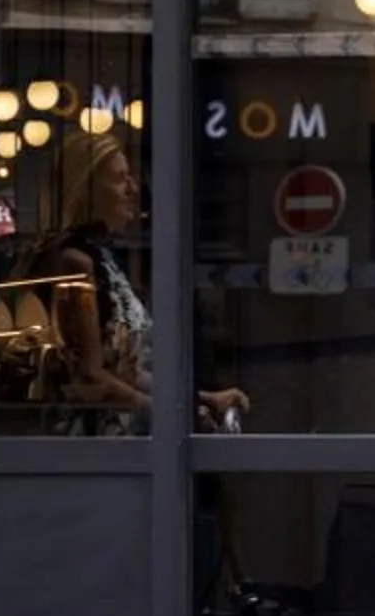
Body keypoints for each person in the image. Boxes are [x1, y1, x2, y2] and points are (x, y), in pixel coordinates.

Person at [35, 130, 249, 435]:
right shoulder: (74, 261)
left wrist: (197, 401)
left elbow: (127, 371)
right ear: (88, 188)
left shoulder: (103, 259)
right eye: (121, 179)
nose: (133, 189)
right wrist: (171, 415)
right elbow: (89, 375)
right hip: (93, 444)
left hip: (126, 439)